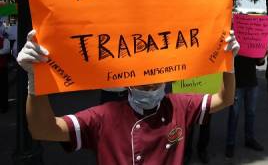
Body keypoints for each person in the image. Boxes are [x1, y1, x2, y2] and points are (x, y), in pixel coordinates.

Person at [17, 29, 240, 165]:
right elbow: (43, 129)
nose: (152, 83)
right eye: (144, 76)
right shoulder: (103, 117)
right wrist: (36, 81)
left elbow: (225, 98)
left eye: (157, 75)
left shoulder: (179, 105)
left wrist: (228, 63)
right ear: (127, 79)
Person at [225, 55, 265, 158]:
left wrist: (262, 55)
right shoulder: (232, 43)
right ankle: (230, 143)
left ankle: (249, 139)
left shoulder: (252, 41)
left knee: (251, 113)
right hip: (236, 84)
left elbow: (260, 62)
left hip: (252, 84)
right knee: (234, 114)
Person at [0, 33, 10, 113]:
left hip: (2, 67)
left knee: (3, 87)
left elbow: (6, 50)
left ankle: (4, 106)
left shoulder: (5, 40)